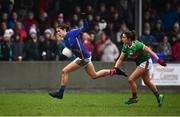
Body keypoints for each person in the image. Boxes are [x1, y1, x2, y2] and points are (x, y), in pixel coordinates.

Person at [49, 14, 127, 99]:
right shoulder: (65, 40)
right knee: (94, 75)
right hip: (82, 58)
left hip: (84, 58)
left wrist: (84, 17)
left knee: (65, 71)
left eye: (59, 31)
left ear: (64, 30)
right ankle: (115, 71)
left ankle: (60, 93)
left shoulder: (72, 33)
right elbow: (74, 51)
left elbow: (85, 28)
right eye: (57, 31)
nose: (58, 33)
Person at [111, 31, 166, 107]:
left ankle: (134, 98)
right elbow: (120, 59)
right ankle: (159, 96)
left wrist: (159, 60)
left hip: (146, 62)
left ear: (129, 39)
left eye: (124, 37)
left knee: (131, 79)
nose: (122, 38)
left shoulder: (137, 44)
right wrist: (115, 68)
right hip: (141, 63)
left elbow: (150, 51)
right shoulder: (125, 46)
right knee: (147, 82)